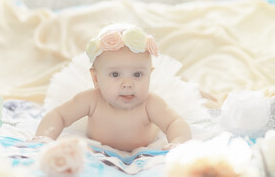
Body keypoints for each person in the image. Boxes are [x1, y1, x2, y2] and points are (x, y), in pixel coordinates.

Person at [34, 23, 191, 151]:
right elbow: (59, 115)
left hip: (146, 144)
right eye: (115, 75)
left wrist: (178, 142)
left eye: (137, 75)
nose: (128, 84)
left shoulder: (151, 103)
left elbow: (174, 122)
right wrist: (46, 136)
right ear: (96, 78)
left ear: (149, 74)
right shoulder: (90, 100)